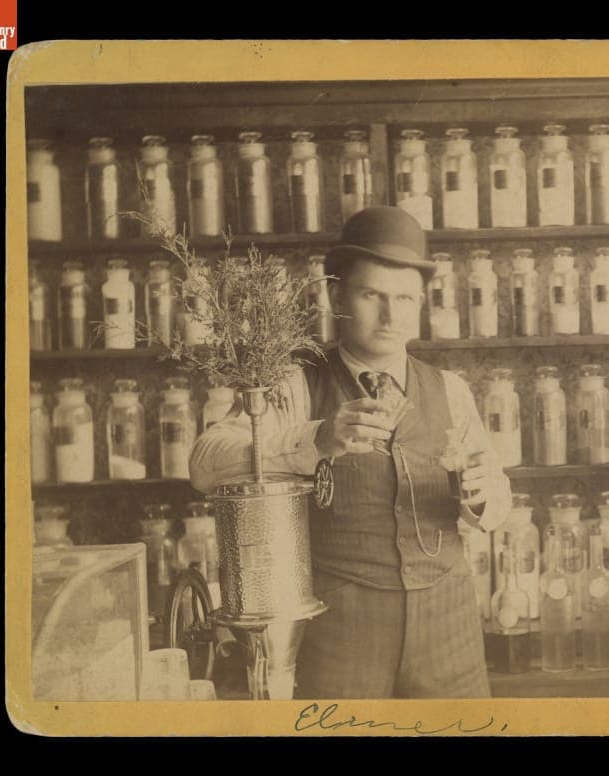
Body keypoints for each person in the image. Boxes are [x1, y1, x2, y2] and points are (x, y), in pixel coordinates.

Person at [190, 206, 511, 699]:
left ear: (421, 302)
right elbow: (205, 463)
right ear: (337, 296)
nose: (390, 315)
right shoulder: (293, 384)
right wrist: (315, 440)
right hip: (342, 629)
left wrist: (485, 496)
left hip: (449, 624)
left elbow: (497, 500)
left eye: (404, 298)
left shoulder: (451, 390)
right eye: (371, 295)